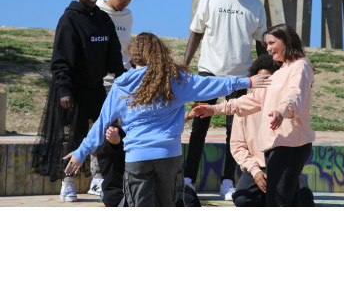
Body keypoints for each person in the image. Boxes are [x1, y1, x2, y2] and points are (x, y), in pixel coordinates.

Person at [64, 32, 270, 207]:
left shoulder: (122, 85)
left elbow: (101, 123)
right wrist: (247, 81)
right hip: (169, 156)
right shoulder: (176, 79)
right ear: (160, 52)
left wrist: (81, 153)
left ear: (134, 55)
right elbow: (211, 84)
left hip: (138, 157)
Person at [193, 24, 315, 207]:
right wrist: (214, 109)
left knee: (279, 202)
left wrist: (281, 111)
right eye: (266, 44)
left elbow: (295, 94)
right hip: (276, 146)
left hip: (291, 146)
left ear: (286, 41)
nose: (268, 49)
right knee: (275, 200)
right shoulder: (280, 72)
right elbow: (252, 100)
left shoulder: (300, 66)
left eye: (272, 43)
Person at [32, 0, 124, 202]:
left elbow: (114, 52)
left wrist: (123, 78)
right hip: (72, 88)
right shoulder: (69, 19)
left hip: (95, 87)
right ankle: (68, 183)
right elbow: (60, 59)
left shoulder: (103, 18)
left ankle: (99, 180)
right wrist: (64, 90)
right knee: (75, 136)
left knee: (108, 131)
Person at [183, 0, 267, 200]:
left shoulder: (255, 4)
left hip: (240, 75)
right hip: (209, 71)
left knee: (235, 131)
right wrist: (185, 64)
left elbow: (261, 43)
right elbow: (196, 32)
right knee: (199, 127)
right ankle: (188, 178)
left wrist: (263, 73)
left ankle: (228, 181)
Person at [230, 54, 314, 207]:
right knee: (243, 200)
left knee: (304, 198)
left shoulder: (287, 106)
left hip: (285, 164)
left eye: (268, 80)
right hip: (258, 166)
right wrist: (255, 170)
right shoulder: (244, 106)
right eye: (259, 80)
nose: (263, 85)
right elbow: (237, 146)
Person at [88, 0, 137, 197]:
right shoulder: (96, 9)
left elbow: (126, 44)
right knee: (100, 126)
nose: (127, 0)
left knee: (121, 128)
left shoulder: (128, 15)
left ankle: (116, 176)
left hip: (123, 78)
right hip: (101, 79)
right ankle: (97, 177)